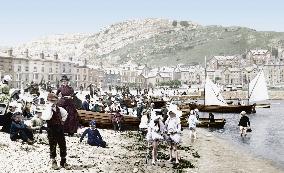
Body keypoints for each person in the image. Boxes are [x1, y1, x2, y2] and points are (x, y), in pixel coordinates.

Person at [41, 93, 69, 170]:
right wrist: (49, 108)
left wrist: (63, 121)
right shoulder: (46, 109)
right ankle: (53, 160)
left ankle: (63, 160)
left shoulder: (59, 109)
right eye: (51, 101)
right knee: (52, 145)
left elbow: (65, 114)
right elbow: (47, 117)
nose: (53, 102)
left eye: (55, 101)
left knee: (62, 144)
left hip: (59, 128)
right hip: (51, 129)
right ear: (48, 101)